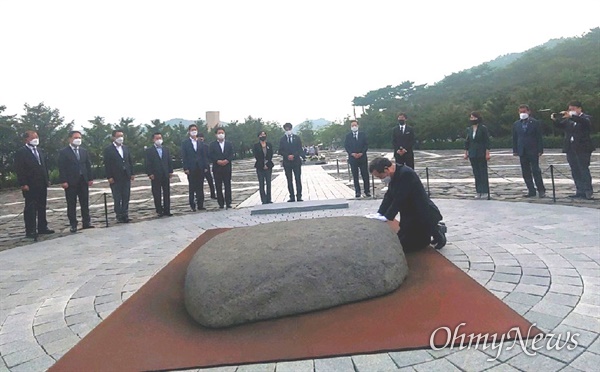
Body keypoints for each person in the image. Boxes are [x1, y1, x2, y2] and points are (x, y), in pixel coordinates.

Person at [369, 157, 446, 251]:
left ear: (386, 169)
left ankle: (437, 229)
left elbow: (399, 198)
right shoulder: (394, 175)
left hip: (421, 213)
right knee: (400, 241)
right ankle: (433, 229)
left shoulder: (406, 174)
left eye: (380, 176)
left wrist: (388, 216)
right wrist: (380, 213)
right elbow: (389, 196)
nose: (381, 179)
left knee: (408, 246)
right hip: (408, 214)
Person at [14, 130, 54, 238]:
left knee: (42, 205)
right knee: (31, 207)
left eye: (36, 136)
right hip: (30, 184)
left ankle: (42, 227)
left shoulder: (39, 150)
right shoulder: (21, 152)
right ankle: (30, 229)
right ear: (26, 139)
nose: (35, 139)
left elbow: (44, 166)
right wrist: (23, 183)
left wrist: (47, 179)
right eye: (33, 137)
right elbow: (20, 169)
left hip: (41, 183)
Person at [552, 101, 595, 200]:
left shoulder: (586, 118)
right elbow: (560, 125)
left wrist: (571, 116)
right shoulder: (568, 120)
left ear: (580, 109)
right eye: (570, 109)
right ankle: (579, 190)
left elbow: (585, 123)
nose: (571, 111)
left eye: (574, 108)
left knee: (583, 169)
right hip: (570, 148)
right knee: (575, 170)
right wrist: (555, 119)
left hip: (583, 148)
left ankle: (588, 191)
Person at [58, 130, 94, 233]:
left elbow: (88, 165)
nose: (78, 139)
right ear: (70, 139)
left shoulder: (83, 151)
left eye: (79, 138)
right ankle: (73, 224)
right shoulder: (64, 152)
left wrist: (90, 178)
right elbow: (62, 167)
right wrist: (63, 180)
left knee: (85, 202)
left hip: (83, 180)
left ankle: (86, 222)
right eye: (75, 138)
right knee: (71, 203)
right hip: (71, 182)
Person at [512, 104, 545, 198]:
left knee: (536, 170)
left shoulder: (535, 122)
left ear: (528, 112)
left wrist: (540, 149)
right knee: (525, 172)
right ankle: (531, 190)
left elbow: (539, 137)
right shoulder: (516, 124)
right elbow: (515, 138)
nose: (522, 113)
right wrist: (515, 150)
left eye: (524, 111)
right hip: (522, 150)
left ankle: (541, 190)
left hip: (533, 149)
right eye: (520, 112)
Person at [103, 129, 134, 223]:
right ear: (113, 137)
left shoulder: (125, 148)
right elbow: (107, 164)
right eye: (118, 136)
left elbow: (129, 161)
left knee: (126, 196)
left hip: (126, 176)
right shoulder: (108, 150)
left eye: (122, 136)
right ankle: (119, 215)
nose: (120, 138)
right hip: (115, 177)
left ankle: (125, 214)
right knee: (117, 197)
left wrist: (131, 173)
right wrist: (109, 176)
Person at [145, 132, 173, 217]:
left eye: (160, 138)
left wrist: (170, 171)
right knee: (157, 193)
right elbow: (147, 163)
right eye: (157, 138)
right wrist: (150, 173)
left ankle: (167, 210)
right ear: (153, 139)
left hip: (165, 174)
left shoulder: (166, 149)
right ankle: (159, 210)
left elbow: (169, 161)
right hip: (155, 174)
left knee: (166, 192)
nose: (159, 140)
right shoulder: (149, 151)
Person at [464, 111, 491, 199]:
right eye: (471, 117)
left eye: (474, 117)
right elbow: (467, 142)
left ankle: (485, 191)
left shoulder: (483, 128)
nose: (472, 119)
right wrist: (466, 152)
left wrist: (487, 153)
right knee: (476, 173)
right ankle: (478, 191)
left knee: (483, 172)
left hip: (481, 153)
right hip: (472, 153)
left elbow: (487, 141)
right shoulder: (469, 129)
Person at [181, 125, 208, 211]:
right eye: (192, 130)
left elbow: (204, 156)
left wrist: (205, 166)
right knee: (192, 187)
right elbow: (184, 156)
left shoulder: (200, 142)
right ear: (189, 131)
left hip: (200, 167)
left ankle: (200, 204)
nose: (194, 131)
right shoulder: (185, 143)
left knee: (200, 186)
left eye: (195, 130)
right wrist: (186, 168)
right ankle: (192, 204)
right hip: (191, 168)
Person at [208, 127, 234, 209]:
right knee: (218, 186)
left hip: (227, 167)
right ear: (216, 134)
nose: (221, 134)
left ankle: (228, 202)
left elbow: (231, 154)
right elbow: (210, 155)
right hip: (217, 168)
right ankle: (221, 203)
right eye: (219, 133)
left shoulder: (229, 144)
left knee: (227, 185)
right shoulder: (212, 145)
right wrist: (217, 161)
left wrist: (227, 160)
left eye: (222, 132)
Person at [344, 120, 371, 198]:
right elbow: (346, 146)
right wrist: (352, 153)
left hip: (362, 158)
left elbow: (366, 145)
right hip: (353, 158)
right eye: (352, 126)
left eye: (355, 125)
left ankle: (367, 191)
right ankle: (357, 192)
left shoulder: (363, 134)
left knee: (365, 175)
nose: (354, 127)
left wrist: (361, 153)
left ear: (358, 126)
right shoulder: (348, 136)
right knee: (355, 176)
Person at [278, 122, 304, 202]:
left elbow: (300, 149)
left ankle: (299, 196)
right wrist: (287, 156)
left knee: (298, 179)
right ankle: (291, 196)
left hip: (296, 161)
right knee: (289, 179)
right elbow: (280, 150)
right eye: (286, 129)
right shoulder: (282, 139)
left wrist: (294, 155)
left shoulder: (297, 138)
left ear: (291, 129)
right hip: (287, 162)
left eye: (289, 128)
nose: (288, 130)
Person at [252, 131, 274, 204]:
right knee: (261, 183)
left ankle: (269, 199)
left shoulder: (269, 145)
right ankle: (263, 199)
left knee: (268, 183)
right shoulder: (256, 146)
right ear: (259, 136)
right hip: (259, 166)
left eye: (264, 134)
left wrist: (267, 164)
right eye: (261, 134)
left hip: (269, 166)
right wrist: (262, 165)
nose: (263, 136)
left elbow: (270, 155)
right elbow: (256, 156)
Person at [198, 133, 216, 199]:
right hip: (199, 167)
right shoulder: (196, 146)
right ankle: (199, 196)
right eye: (199, 137)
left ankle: (213, 194)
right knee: (199, 183)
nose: (201, 138)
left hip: (206, 165)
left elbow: (209, 155)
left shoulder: (206, 146)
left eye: (202, 137)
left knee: (210, 181)